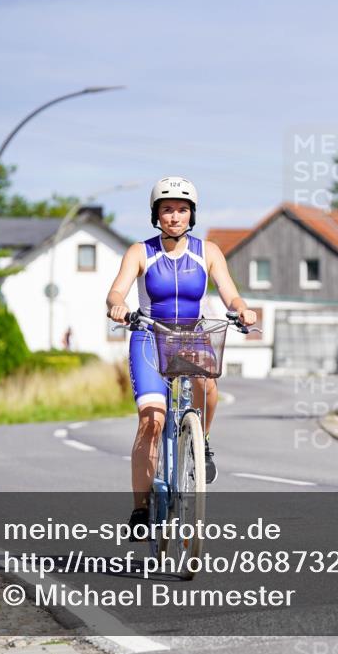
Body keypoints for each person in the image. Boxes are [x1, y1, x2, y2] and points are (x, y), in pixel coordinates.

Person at [105, 176, 257, 533]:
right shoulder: (140, 252)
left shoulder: (208, 252)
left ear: (192, 214)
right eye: (168, 209)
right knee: (152, 421)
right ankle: (141, 510)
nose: (175, 216)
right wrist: (117, 307)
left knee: (208, 385)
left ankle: (201, 442)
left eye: (182, 210)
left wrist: (242, 309)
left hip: (191, 336)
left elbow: (230, 293)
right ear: (156, 214)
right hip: (149, 337)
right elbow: (116, 292)